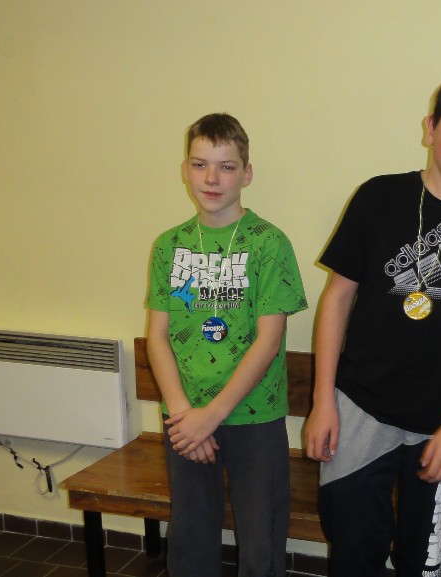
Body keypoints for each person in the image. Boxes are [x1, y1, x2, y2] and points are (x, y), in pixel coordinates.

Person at [304, 73, 441, 577]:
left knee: (425, 563)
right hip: (358, 407)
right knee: (353, 554)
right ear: (430, 128)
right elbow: (336, 301)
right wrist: (323, 402)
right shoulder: (377, 197)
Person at [145, 113, 308, 577]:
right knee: (191, 535)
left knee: (261, 537)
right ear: (185, 170)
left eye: (226, 166)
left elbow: (268, 341)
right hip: (184, 418)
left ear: (247, 174)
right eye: (200, 165)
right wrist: (185, 415)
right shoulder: (169, 245)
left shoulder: (268, 244)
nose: (212, 178)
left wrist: (211, 417)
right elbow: (158, 335)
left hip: (253, 415)